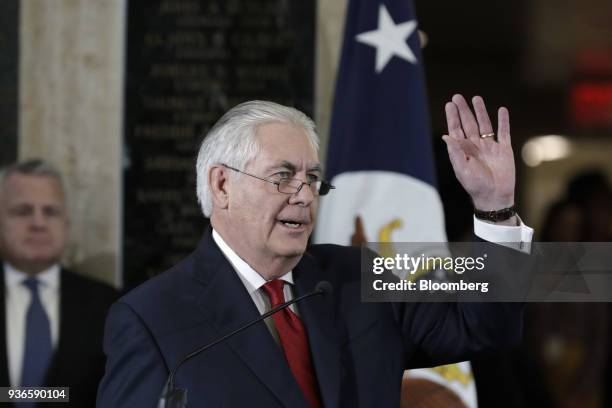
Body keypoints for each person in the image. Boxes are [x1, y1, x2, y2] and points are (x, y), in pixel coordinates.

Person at [97, 95, 534, 407]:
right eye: (282, 177)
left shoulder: (355, 276)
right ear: (222, 185)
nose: (304, 195)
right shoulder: (151, 318)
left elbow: (484, 328)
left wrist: (495, 207)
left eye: (311, 179)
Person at [0, 159, 118, 407]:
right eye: (23, 211)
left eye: (50, 212)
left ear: (67, 223)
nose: (38, 223)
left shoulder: (110, 306)